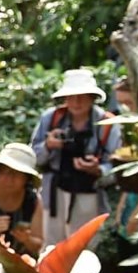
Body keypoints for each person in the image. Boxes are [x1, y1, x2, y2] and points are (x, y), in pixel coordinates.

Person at [30, 68, 121, 247]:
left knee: (83, 250)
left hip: (89, 195)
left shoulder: (107, 124)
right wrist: (48, 146)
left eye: (83, 96)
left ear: (92, 97)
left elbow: (117, 169)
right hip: (54, 194)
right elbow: (32, 158)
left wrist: (98, 170)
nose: (76, 102)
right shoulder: (51, 118)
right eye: (71, 96)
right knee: (51, 250)